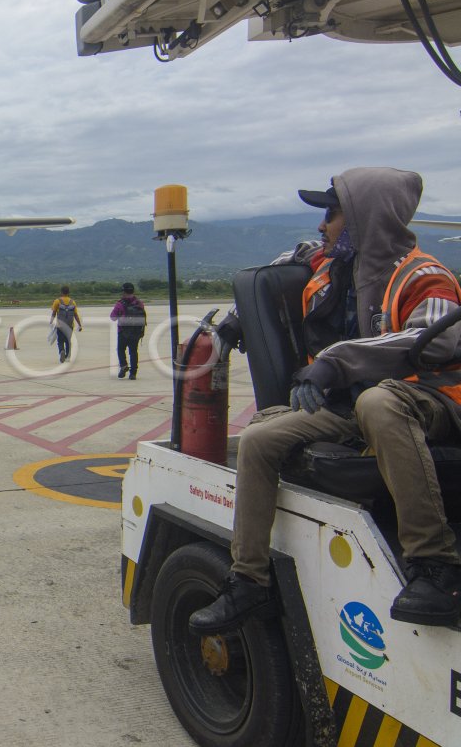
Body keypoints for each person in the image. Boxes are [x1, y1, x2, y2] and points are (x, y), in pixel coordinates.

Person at [189, 167, 461, 634]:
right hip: (353, 409)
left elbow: (434, 343)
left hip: (424, 402)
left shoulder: (426, 275)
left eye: (332, 214)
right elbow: (286, 260)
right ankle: (249, 581)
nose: (322, 226)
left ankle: (435, 564)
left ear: (363, 218)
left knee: (380, 403)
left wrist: (336, 361)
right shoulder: (331, 263)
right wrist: (235, 320)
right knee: (259, 438)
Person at [110, 283, 146, 379]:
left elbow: (113, 317)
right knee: (133, 351)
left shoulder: (120, 304)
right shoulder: (140, 303)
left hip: (123, 331)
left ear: (123, 291)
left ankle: (124, 365)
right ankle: (133, 373)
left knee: (121, 349)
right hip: (136, 331)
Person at [50, 286, 83, 362]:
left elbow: (54, 313)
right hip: (69, 326)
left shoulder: (57, 301)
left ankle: (62, 350)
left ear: (61, 292)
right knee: (68, 341)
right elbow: (76, 315)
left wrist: (51, 322)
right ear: (68, 293)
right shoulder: (73, 302)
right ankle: (68, 356)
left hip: (60, 325)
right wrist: (80, 325)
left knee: (60, 341)